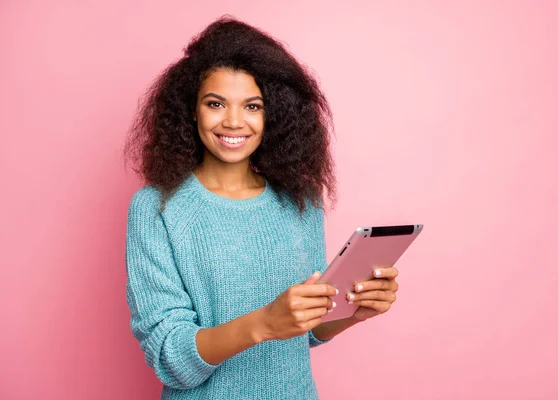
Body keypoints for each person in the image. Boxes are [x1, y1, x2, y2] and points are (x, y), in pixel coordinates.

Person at [124, 16, 399, 400]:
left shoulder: (300, 200)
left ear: (272, 115)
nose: (234, 121)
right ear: (192, 110)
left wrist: (353, 313)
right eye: (215, 103)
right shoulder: (157, 207)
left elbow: (307, 333)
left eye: (252, 106)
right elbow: (170, 359)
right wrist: (264, 323)